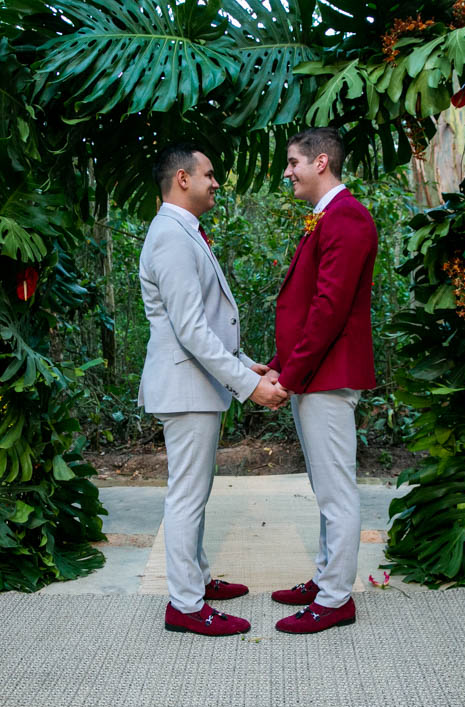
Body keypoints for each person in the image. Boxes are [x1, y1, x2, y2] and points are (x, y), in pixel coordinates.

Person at [138, 142, 288, 636]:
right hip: (185, 388)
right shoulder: (171, 237)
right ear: (183, 178)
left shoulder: (182, 232)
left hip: (195, 385)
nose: (216, 182)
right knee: (187, 495)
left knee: (194, 493)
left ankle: (197, 578)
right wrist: (249, 386)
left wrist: (247, 363)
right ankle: (184, 605)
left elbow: (203, 324)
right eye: (209, 174)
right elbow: (192, 331)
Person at [266, 128, 378, 634]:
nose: (288, 171)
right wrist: (278, 363)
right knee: (324, 486)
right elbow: (307, 305)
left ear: (322, 162)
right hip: (313, 374)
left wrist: (290, 375)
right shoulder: (326, 217)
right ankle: (325, 577)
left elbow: (329, 310)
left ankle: (336, 600)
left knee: (336, 492)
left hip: (327, 377)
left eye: (293, 162)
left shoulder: (348, 218)